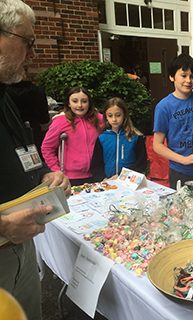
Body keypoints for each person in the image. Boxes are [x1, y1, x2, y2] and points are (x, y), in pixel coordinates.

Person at [0, 1, 71, 319]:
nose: (33, 53)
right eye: (27, 41)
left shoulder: (6, 97)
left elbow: (23, 155)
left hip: (23, 245)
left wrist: (45, 175)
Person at [153, 53, 193, 189]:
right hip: (180, 171)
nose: (188, 80)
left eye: (192, 76)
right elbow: (157, 145)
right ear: (172, 77)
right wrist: (184, 160)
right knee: (182, 208)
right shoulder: (164, 106)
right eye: (183, 75)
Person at [42, 86, 103, 186]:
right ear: (69, 104)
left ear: (89, 103)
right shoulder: (61, 121)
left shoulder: (98, 119)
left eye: (84, 101)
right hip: (71, 177)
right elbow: (47, 148)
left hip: (96, 174)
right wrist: (57, 171)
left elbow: (115, 124)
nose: (80, 105)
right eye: (75, 101)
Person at [90, 97, 147, 181]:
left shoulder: (136, 136)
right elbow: (96, 165)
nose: (114, 119)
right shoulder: (102, 138)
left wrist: (121, 175)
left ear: (124, 115)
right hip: (108, 182)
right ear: (105, 116)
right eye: (110, 115)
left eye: (118, 115)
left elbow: (141, 163)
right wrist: (104, 179)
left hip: (130, 182)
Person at [6, 79, 50, 158]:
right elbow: (44, 119)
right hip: (34, 135)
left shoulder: (5, 94)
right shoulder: (38, 91)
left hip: (10, 137)